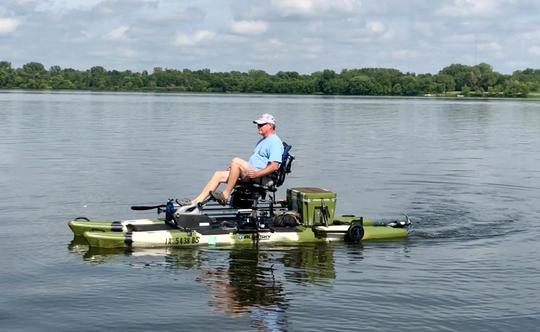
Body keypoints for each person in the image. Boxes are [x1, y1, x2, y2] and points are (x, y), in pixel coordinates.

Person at [189, 113, 284, 206]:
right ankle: (196, 202)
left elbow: (274, 166)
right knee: (218, 174)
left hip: (261, 177)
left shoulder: (274, 142)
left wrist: (257, 174)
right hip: (253, 173)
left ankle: (225, 195)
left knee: (236, 161)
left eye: (261, 125)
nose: (258, 127)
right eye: (258, 125)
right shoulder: (263, 140)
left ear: (270, 125)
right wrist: (235, 170)